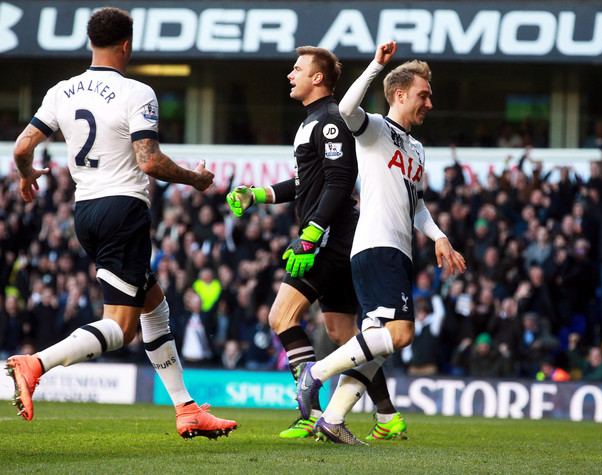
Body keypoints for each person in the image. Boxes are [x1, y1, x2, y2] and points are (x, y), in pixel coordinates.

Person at [5, 7, 236, 440]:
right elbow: (148, 160)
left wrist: (25, 174)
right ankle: (36, 364)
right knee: (121, 327)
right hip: (123, 210)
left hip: (85, 212)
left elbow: (22, 147)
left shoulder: (61, 91)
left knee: (154, 305)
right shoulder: (136, 92)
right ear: (127, 45)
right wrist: (196, 179)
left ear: (90, 42)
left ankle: (185, 407)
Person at [226, 46, 404, 440]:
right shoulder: (311, 122)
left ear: (317, 78)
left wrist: (312, 233)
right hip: (336, 236)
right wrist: (258, 194)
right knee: (343, 333)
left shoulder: (330, 120)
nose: (290, 74)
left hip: (331, 239)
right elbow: (307, 183)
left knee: (280, 318)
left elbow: (341, 182)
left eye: (297, 69)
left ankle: (310, 411)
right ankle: (388, 415)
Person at [295, 40, 466, 445]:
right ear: (400, 93)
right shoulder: (374, 130)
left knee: (379, 346)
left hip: (398, 250)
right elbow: (347, 109)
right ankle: (315, 373)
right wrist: (375, 64)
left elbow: (417, 205)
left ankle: (333, 418)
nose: (429, 103)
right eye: (424, 95)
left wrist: (440, 237)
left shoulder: (417, 149)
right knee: (401, 334)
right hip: (375, 245)